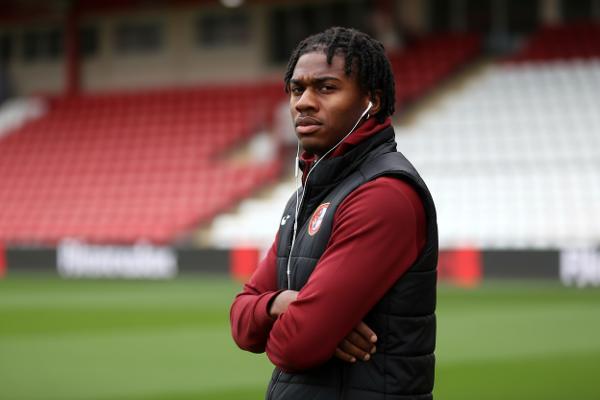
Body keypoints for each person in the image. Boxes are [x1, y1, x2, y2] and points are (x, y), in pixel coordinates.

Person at [230, 26, 438, 400]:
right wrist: (281, 304)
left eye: (326, 88)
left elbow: (294, 346)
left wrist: (305, 322)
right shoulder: (305, 197)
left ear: (372, 101)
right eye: (297, 89)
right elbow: (241, 323)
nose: (304, 103)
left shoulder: (384, 195)